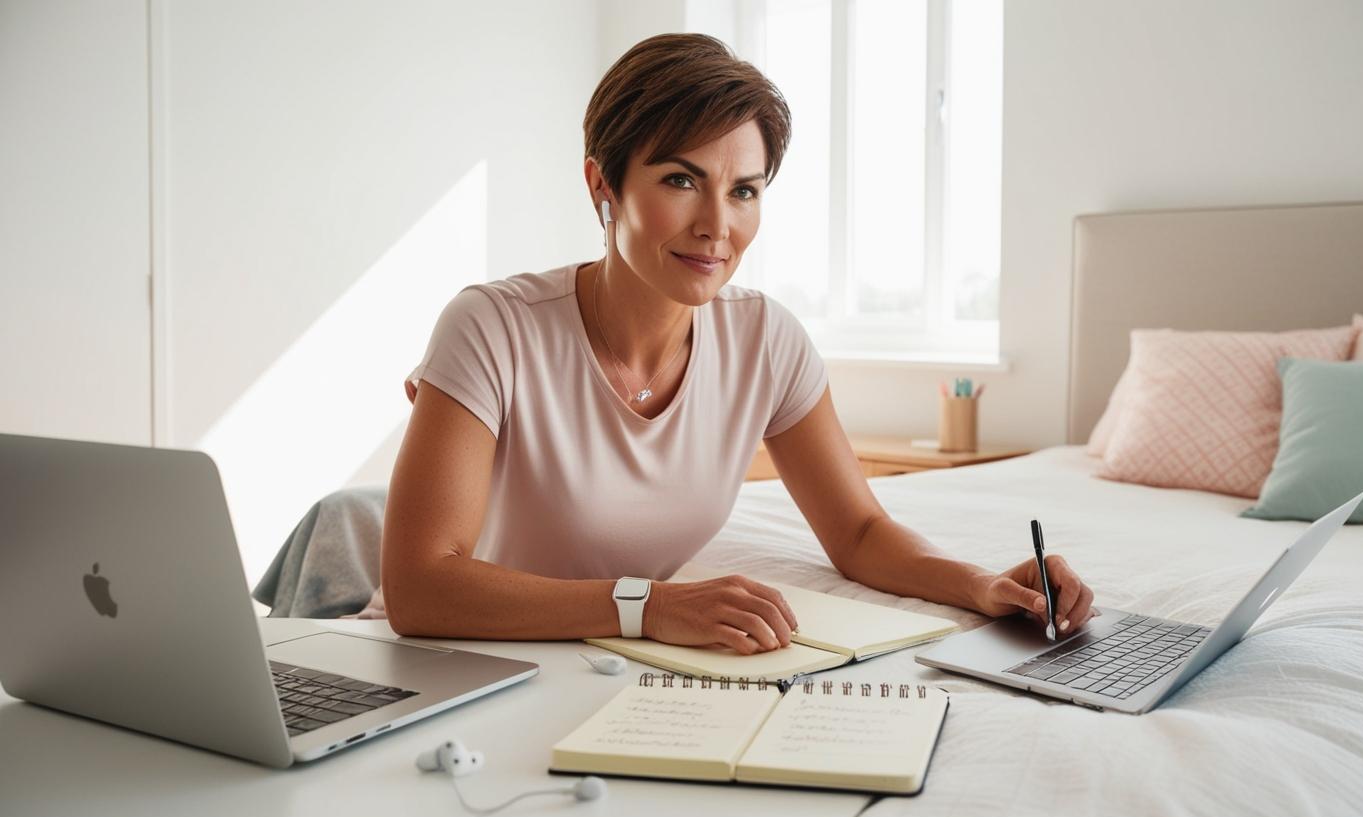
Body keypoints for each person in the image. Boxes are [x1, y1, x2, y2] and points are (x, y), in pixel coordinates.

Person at [375, 32, 1096, 654]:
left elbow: (859, 531)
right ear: (604, 184)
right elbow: (419, 588)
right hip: (468, 659)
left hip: (616, 665)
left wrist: (983, 584)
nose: (717, 225)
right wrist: (648, 606)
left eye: (745, 191)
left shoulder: (765, 339)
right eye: (681, 180)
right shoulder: (491, 328)